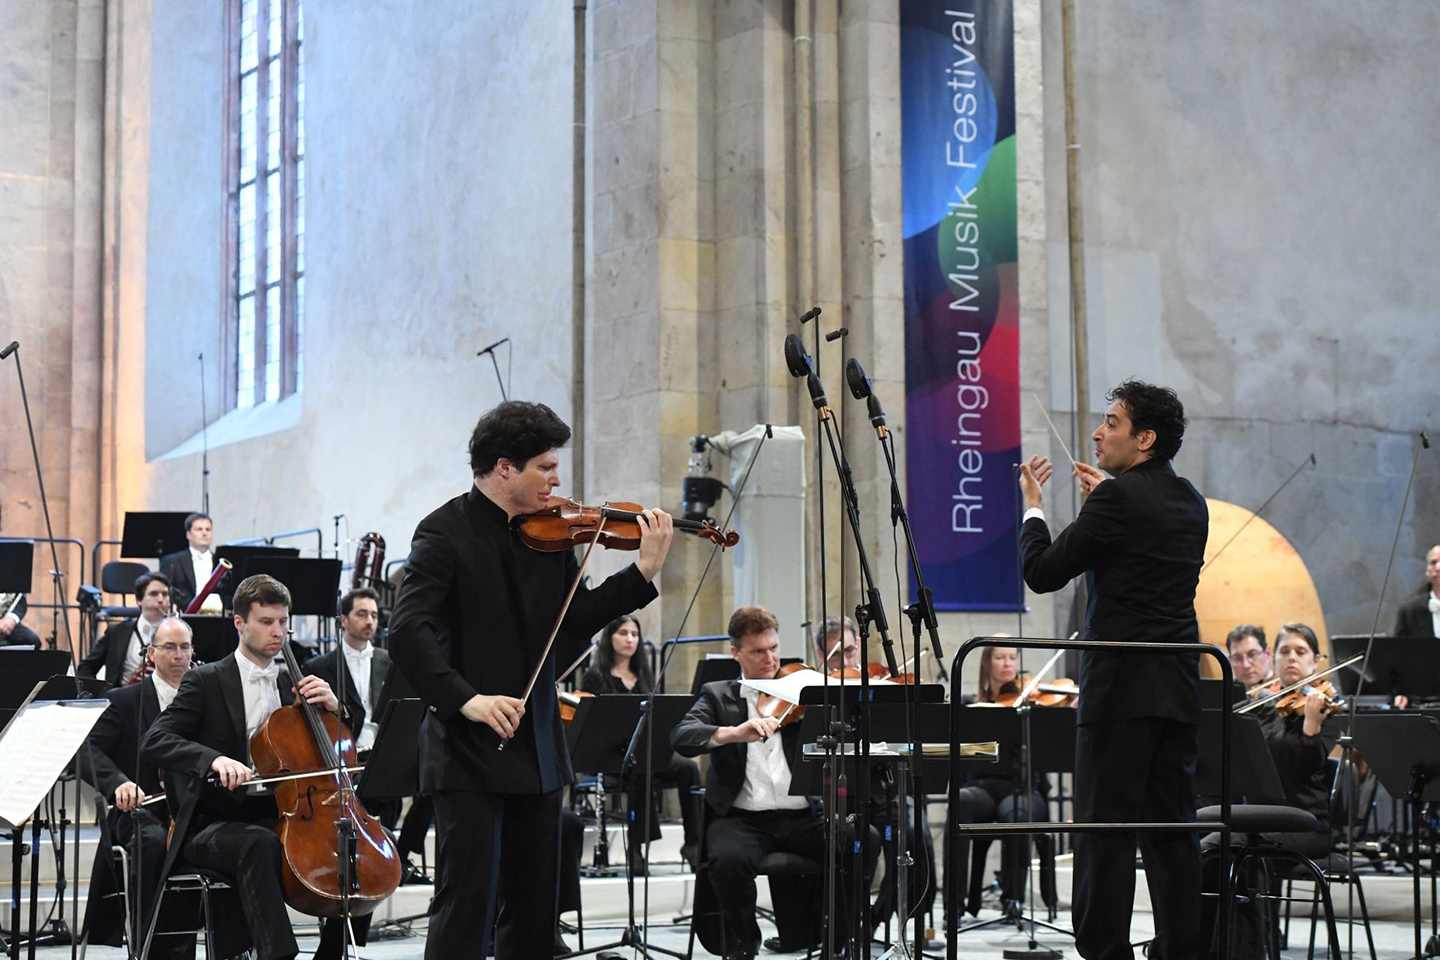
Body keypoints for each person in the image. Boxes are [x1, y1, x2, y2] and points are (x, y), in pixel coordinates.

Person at [388, 400, 674, 960]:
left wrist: (640, 575)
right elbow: (407, 633)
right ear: (503, 468)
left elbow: (571, 627)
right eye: (544, 466)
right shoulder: (442, 532)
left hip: (538, 747)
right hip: (469, 750)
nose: (557, 478)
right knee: (465, 908)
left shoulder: (551, 537)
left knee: (535, 914)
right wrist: (466, 700)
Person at [1019, 380, 1208, 960]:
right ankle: (1182, 951)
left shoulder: (1116, 501)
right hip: (1175, 687)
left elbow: (1043, 571)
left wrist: (1033, 506)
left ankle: (1106, 954)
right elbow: (1140, 549)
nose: (1098, 432)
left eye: (1112, 422)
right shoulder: (1190, 499)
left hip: (1119, 691)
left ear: (1144, 438)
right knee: (1172, 833)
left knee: (1104, 832)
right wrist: (1109, 497)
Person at [142, 574, 341, 960]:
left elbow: (339, 740)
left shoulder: (293, 683)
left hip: (285, 814)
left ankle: (331, 953)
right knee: (258, 843)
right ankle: (277, 954)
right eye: (266, 622)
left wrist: (336, 707)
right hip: (213, 822)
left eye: (283, 622)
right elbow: (155, 740)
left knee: (346, 842)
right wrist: (212, 759)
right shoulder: (205, 680)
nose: (278, 632)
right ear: (239, 623)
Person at [672, 605, 873, 959]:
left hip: (804, 817)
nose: (770, 659)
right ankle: (743, 944)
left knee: (862, 840)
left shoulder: (802, 689)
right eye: (758, 651)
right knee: (726, 861)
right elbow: (683, 735)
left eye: (774, 648)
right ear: (736, 652)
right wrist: (733, 732)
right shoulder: (718, 695)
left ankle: (839, 942)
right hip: (742, 819)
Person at [304, 587, 425, 960]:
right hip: (342, 766)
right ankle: (338, 945)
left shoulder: (393, 662)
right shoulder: (320, 667)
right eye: (361, 614)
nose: (369, 621)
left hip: (383, 764)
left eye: (373, 614)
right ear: (343, 620)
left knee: (374, 856)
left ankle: (342, 945)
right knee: (353, 859)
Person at [74, 616, 196, 958]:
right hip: (139, 811)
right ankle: (150, 945)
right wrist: (119, 783)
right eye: (169, 647)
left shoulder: (203, 697)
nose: (178, 655)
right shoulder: (125, 700)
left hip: (191, 810)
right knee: (153, 841)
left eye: (184, 647)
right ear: (151, 654)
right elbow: (87, 751)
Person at [579, 615, 701, 873]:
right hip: (612, 754)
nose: (630, 639)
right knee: (640, 768)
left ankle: (693, 843)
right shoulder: (595, 676)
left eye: (634, 634)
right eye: (623, 633)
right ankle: (635, 849)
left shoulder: (645, 674)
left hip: (647, 748)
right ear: (610, 637)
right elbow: (593, 721)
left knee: (688, 768)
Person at [950, 645, 1055, 920]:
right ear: (987, 663)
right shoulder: (970, 705)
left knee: (1017, 813)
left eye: (1012, 657)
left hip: (1024, 787)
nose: (1007, 663)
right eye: (999, 657)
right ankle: (955, 903)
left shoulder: (1029, 704)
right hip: (983, 787)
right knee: (960, 802)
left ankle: (1014, 899)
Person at [80, 571, 172, 686]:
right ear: (139, 600)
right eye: (154, 594)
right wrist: (97, 695)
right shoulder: (116, 632)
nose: (160, 599)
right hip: (121, 700)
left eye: (165, 594)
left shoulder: (180, 634)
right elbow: (86, 668)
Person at [160, 513, 221, 613]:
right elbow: (166, 590)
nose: (204, 533)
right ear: (188, 534)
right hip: (185, 615)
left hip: (218, 615)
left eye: (208, 529)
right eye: (199, 529)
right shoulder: (172, 561)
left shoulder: (220, 562)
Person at [1391, 544, 1440, 639]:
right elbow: (1398, 650)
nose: (1438, 567)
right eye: (1433, 562)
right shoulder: (1409, 611)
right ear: (1427, 571)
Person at [1226, 624, 1272, 691]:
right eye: (1237, 658)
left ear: (1268, 654)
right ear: (1230, 661)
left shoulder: (1283, 685)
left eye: (1252, 654)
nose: (1246, 665)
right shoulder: (1227, 691)